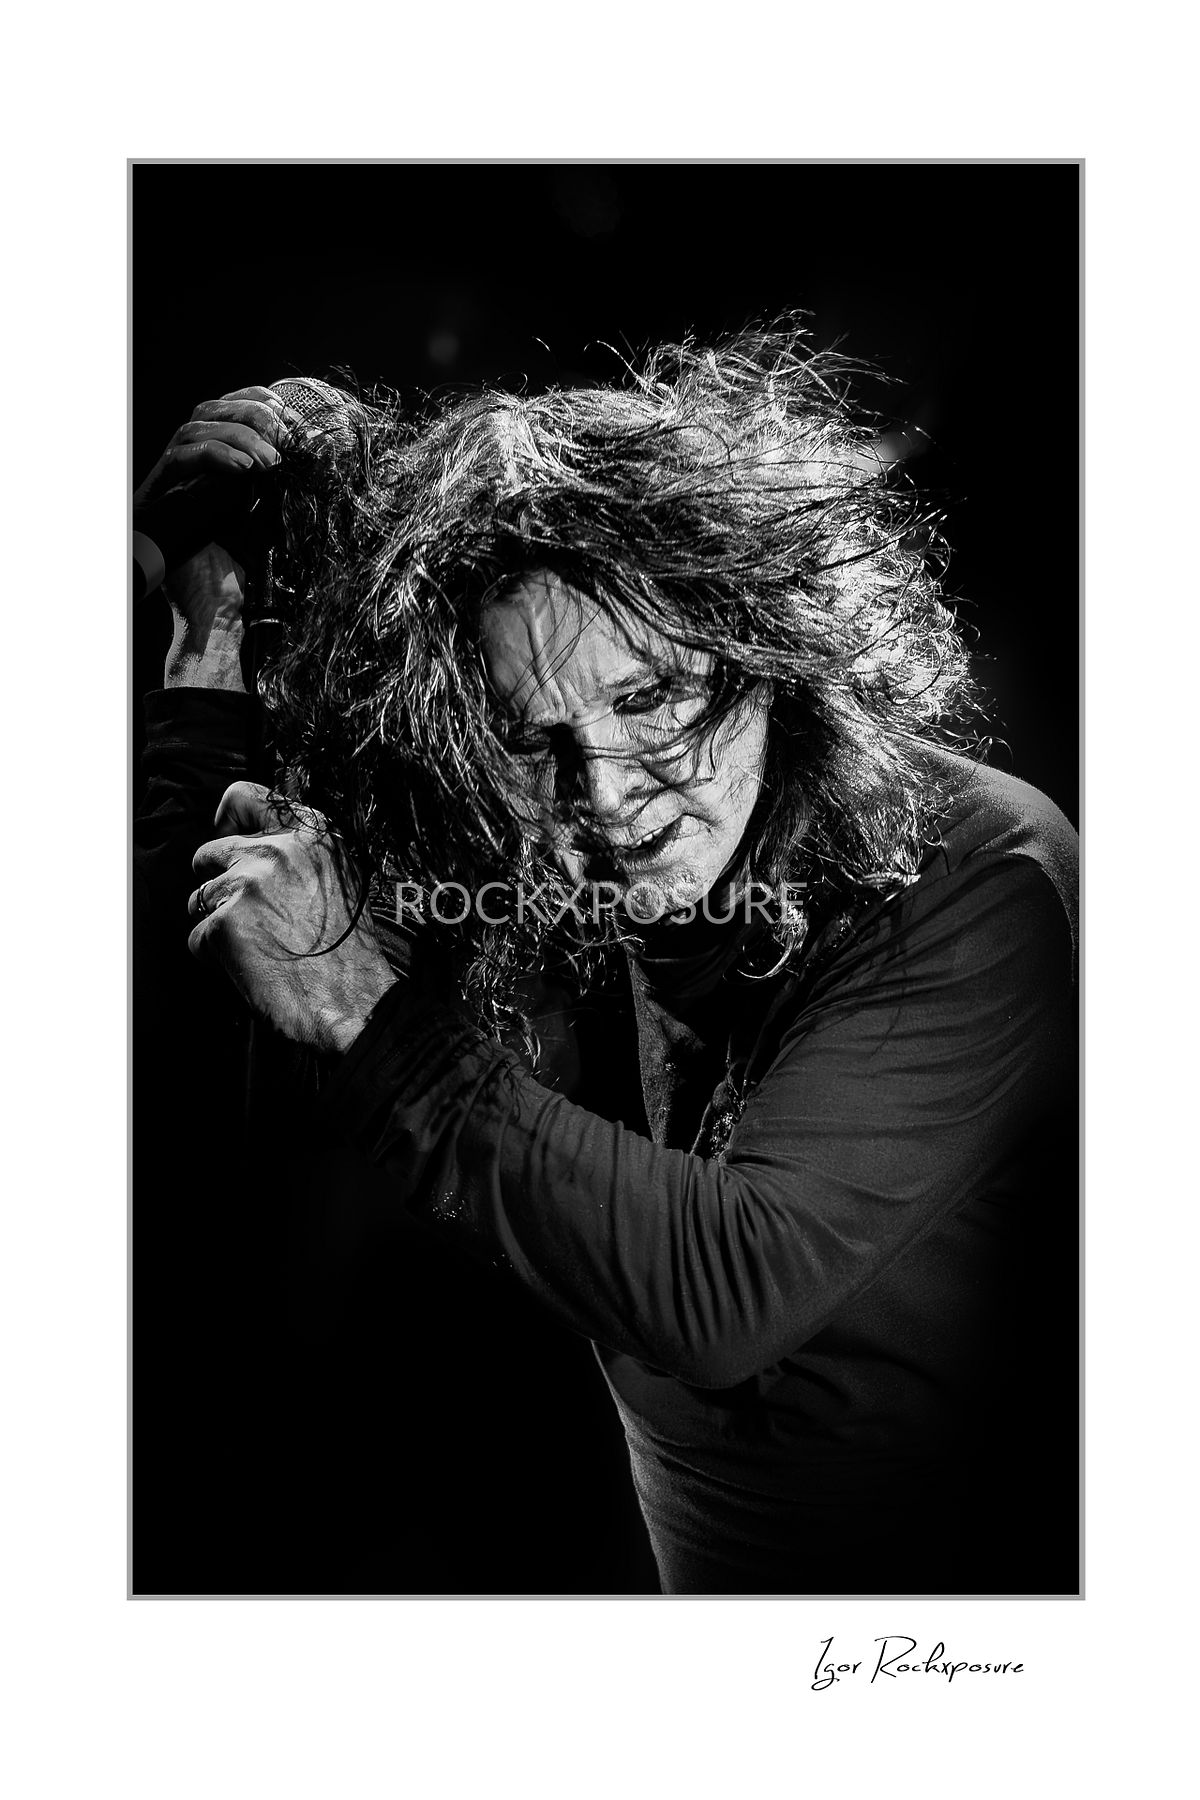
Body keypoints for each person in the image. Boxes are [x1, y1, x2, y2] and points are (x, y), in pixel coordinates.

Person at [135, 323, 1078, 1595]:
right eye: (538, 738)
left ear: (774, 658)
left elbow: (721, 1297)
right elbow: (209, 940)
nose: (611, 791)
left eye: (651, 701)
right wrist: (211, 615)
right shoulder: (551, 850)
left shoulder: (980, 865)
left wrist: (370, 1013)